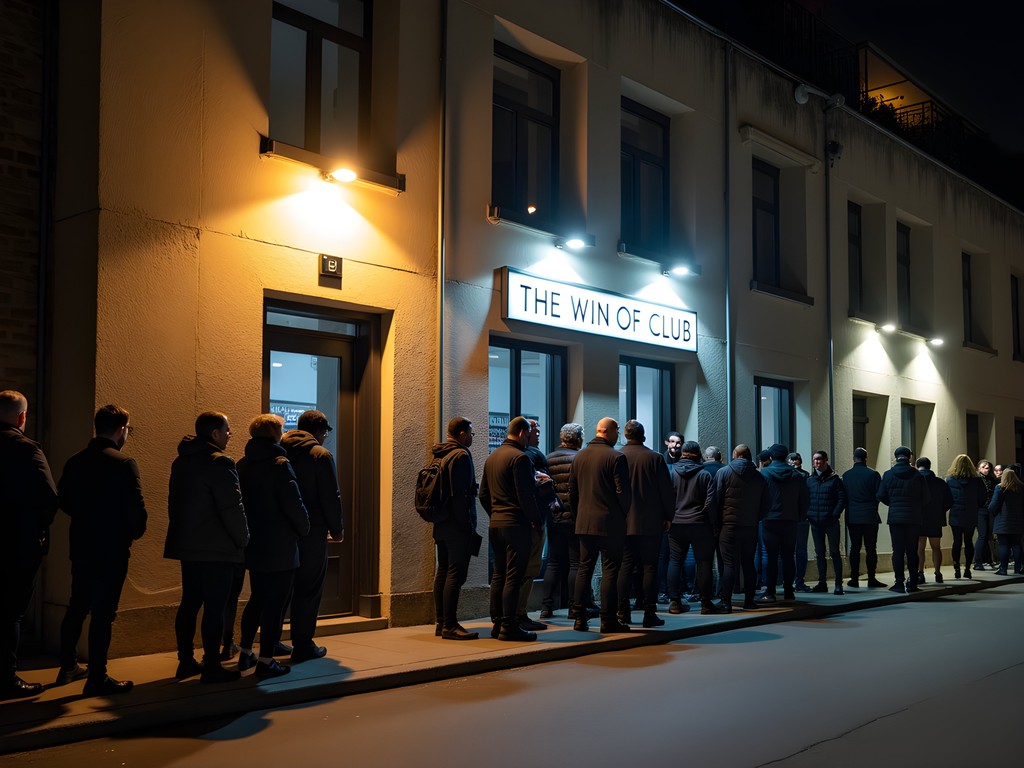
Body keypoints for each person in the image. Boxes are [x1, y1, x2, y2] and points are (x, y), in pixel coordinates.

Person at [55, 405, 147, 696]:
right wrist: (130, 532)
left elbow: (64, 500)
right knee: (103, 613)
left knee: (77, 606)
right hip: (111, 547)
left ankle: (67, 665)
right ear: (121, 429)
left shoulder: (76, 461)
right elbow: (136, 512)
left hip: (82, 543)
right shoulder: (123, 463)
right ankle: (97, 676)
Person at [165, 411, 249, 683]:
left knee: (189, 603)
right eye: (226, 429)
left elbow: (173, 503)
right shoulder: (220, 463)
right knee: (215, 606)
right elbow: (232, 507)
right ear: (214, 433)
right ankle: (212, 664)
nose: (230, 434)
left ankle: (186, 661)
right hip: (217, 548)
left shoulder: (182, 461)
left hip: (189, 546)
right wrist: (243, 539)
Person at [236, 415, 309, 678]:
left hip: (254, 542)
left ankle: (245, 653)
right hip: (280, 543)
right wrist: (304, 528)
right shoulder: (280, 464)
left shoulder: (243, 464)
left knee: (257, 598)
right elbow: (294, 503)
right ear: (274, 433)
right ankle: (266, 660)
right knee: (276, 603)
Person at [0, 390, 59, 699]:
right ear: (22, 417)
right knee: (10, 613)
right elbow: (49, 497)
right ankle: (5, 678)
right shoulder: (26, 449)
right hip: (17, 544)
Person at [281, 410, 346, 659]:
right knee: (308, 589)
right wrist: (337, 529)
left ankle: (272, 641)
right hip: (313, 532)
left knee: (281, 588)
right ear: (320, 430)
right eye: (326, 432)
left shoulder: (280, 449)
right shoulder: (320, 455)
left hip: (283, 531)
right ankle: (303, 644)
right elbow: (331, 497)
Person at [480, 416, 542, 642]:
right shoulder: (520, 458)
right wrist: (535, 519)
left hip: (496, 524)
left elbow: (483, 495)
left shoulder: (492, 457)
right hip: (516, 525)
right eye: (529, 434)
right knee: (514, 576)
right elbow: (525, 496)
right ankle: (509, 627)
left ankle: (497, 623)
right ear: (522, 433)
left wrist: (496, 513)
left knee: (499, 574)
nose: (529, 439)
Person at [570, 418, 632, 633]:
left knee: (584, 569)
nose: (619, 437)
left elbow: (573, 492)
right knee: (610, 571)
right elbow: (623, 493)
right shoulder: (616, 457)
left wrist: (579, 515)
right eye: (617, 432)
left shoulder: (580, 457)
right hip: (611, 523)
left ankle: (579, 618)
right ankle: (608, 620)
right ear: (610, 431)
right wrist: (624, 513)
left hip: (585, 523)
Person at [425, 417, 479, 640]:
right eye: (471, 434)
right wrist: (467, 526)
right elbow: (460, 496)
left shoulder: (440, 453)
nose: (472, 438)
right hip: (457, 526)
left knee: (443, 571)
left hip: (441, 524)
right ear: (462, 434)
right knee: (456, 574)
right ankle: (450, 625)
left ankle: (441, 622)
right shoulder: (461, 456)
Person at [618, 420, 674, 627]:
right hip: (651, 521)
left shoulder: (617, 456)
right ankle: (649, 613)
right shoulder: (655, 458)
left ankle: (623, 613)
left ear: (625, 435)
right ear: (643, 436)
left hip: (623, 522)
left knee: (624, 566)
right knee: (650, 566)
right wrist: (669, 516)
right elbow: (666, 491)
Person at [709, 445, 769, 612]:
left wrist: (717, 523)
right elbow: (766, 504)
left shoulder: (724, 473)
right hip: (750, 527)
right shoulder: (759, 477)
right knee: (748, 563)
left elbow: (716, 500)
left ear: (734, 455)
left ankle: (726, 602)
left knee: (729, 564)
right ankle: (749, 601)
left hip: (728, 526)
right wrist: (755, 518)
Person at [667, 440, 717, 615]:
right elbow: (710, 502)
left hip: (676, 524)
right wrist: (705, 518)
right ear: (698, 455)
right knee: (704, 563)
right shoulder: (704, 475)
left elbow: (666, 499)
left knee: (675, 561)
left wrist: (670, 517)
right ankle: (705, 603)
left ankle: (674, 601)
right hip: (699, 524)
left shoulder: (672, 473)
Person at [541, 423, 585, 619]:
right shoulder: (580, 459)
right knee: (576, 563)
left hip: (554, 517)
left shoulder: (548, 458)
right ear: (577, 439)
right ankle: (573, 607)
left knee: (553, 563)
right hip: (575, 518)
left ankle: (546, 607)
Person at [758, 444, 808, 604]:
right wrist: (800, 516)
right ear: (786, 457)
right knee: (788, 556)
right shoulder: (797, 475)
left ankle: (770, 591)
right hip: (790, 520)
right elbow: (804, 499)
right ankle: (788, 590)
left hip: (769, 520)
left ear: (771, 456)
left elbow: (760, 497)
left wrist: (760, 515)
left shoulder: (764, 473)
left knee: (771, 557)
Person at [878, 446, 928, 593]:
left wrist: (893, 503)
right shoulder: (918, 476)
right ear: (910, 457)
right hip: (913, 518)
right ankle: (912, 583)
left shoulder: (888, 475)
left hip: (895, 518)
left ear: (896, 457)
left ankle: (898, 583)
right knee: (912, 551)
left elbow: (881, 495)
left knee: (898, 551)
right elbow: (926, 498)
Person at [516, 419, 551, 631]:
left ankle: (514, 613)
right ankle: (520, 613)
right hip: (533, 522)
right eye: (535, 430)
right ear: (524, 433)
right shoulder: (531, 456)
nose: (538, 434)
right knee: (529, 569)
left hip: (521, 522)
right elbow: (535, 491)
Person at [842, 448, 885, 588]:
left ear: (854, 458)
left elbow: (843, 496)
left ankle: (854, 578)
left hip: (853, 516)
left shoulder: (847, 475)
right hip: (870, 515)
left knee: (854, 548)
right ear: (866, 458)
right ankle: (871, 578)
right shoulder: (873, 474)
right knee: (871, 548)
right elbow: (880, 495)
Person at [806, 451, 846, 594]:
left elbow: (842, 499)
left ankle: (838, 584)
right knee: (820, 553)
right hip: (815, 522)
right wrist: (808, 514)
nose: (816, 462)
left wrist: (834, 515)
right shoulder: (810, 480)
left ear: (825, 461)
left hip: (831, 522)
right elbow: (806, 499)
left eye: (819, 459)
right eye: (814, 460)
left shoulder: (835, 479)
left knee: (835, 552)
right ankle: (821, 582)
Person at [946, 454, 985, 580]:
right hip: (971, 513)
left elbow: (947, 497)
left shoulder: (950, 479)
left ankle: (956, 567)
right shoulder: (977, 480)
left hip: (956, 513)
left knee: (956, 542)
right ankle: (968, 568)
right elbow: (983, 497)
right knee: (968, 542)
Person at [915, 457, 952, 585]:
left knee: (920, 547)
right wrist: (940, 511)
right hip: (935, 518)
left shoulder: (915, 481)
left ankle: (920, 573)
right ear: (930, 466)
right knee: (936, 547)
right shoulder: (940, 482)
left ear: (916, 466)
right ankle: (937, 573)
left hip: (919, 518)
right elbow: (949, 501)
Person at [988, 467, 1024, 575]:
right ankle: (1018, 569)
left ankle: (1003, 569)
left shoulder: (1000, 488)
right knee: (1017, 544)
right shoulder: (1021, 488)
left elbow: (993, 505)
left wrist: (992, 511)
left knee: (1003, 545)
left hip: (1003, 522)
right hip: (1018, 521)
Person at [787, 452, 812, 592]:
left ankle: (791, 582)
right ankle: (799, 581)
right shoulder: (805, 476)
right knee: (800, 551)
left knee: (792, 551)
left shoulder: (789, 476)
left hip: (790, 518)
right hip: (801, 518)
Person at [975, 460, 997, 570]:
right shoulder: (977, 480)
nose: (986, 469)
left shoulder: (992, 480)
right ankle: (977, 561)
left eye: (988, 467)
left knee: (989, 535)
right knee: (983, 535)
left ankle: (988, 559)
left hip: (989, 510)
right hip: (981, 510)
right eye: (984, 467)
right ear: (978, 468)